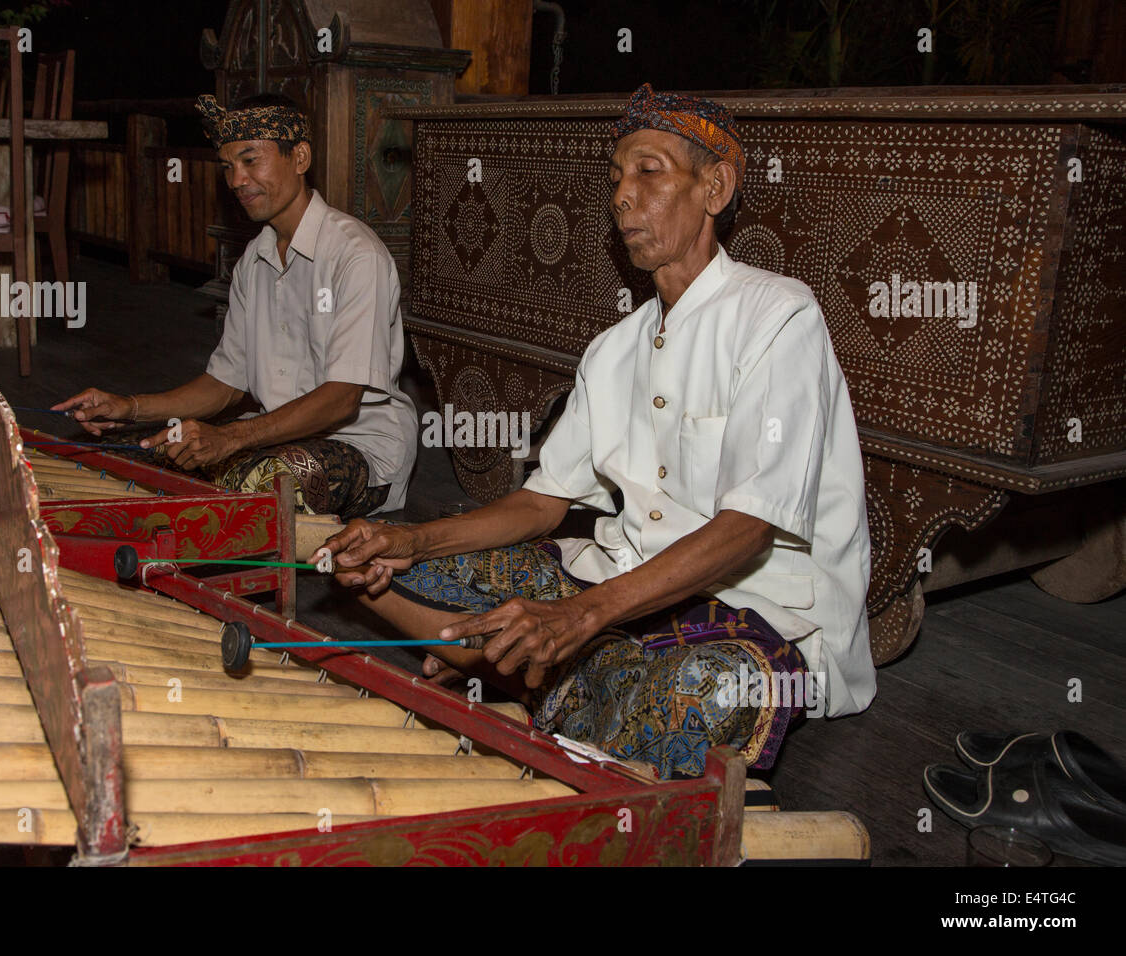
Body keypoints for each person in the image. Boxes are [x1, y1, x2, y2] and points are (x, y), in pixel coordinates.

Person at [319, 83, 875, 779]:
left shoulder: (778, 317)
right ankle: (554, 682)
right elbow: (543, 503)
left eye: (649, 172)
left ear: (716, 187)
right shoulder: (615, 348)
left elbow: (749, 529)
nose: (622, 196)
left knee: (714, 692)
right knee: (383, 572)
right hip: (613, 585)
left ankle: (526, 678)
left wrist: (580, 617)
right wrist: (411, 537)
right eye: (614, 179)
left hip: (752, 612)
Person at [54, 93, 417, 517]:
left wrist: (230, 440)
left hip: (362, 447)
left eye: (250, 161)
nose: (237, 181)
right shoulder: (254, 262)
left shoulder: (355, 255)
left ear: (300, 157)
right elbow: (225, 384)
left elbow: (342, 400)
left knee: (258, 487)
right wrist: (129, 407)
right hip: (270, 437)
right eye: (228, 167)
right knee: (133, 463)